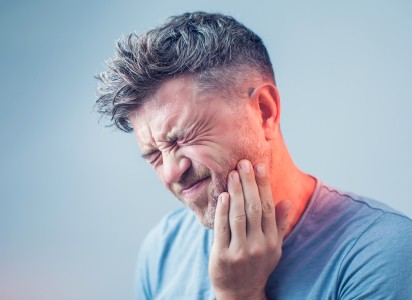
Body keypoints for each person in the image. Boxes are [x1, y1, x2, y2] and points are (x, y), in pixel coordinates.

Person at [95, 12, 412, 300]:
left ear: (264, 112)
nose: (170, 173)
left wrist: (239, 295)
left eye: (182, 138)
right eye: (153, 155)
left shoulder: (384, 255)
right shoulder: (162, 250)